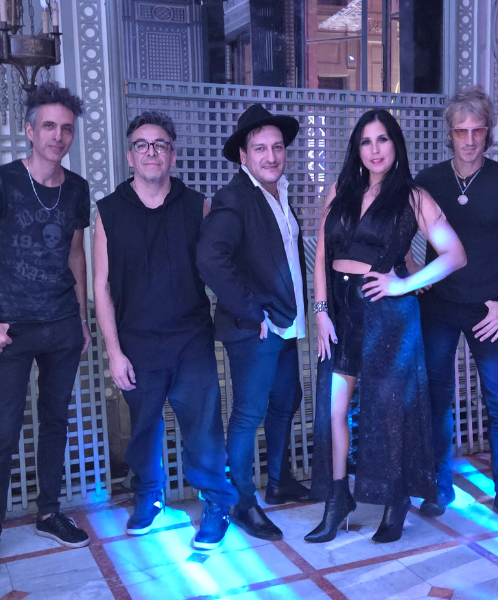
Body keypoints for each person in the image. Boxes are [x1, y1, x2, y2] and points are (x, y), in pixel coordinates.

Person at [306, 108, 466, 544]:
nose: (374, 149)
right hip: (340, 311)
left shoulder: (413, 196)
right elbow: (322, 255)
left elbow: (455, 255)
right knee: (334, 410)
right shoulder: (340, 190)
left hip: (387, 314)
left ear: (396, 144)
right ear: (356, 148)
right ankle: (338, 500)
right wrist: (320, 310)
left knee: (390, 412)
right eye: (366, 141)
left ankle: (397, 500)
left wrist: (403, 284)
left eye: (382, 139)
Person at [0, 82, 92, 582]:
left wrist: (82, 319)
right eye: (49, 126)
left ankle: (48, 512)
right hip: (10, 329)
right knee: (3, 431)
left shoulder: (77, 188)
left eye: (66, 129)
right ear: (30, 130)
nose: (58, 136)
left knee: (55, 421)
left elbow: (75, 254)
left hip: (61, 325)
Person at [93, 111, 238, 550]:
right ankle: (148, 495)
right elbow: (100, 286)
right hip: (136, 341)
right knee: (143, 429)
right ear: (130, 156)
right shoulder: (109, 212)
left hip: (191, 338)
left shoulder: (197, 206)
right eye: (142, 144)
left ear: (172, 155)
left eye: (160, 144)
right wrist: (114, 352)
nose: (151, 152)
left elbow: (219, 267)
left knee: (203, 429)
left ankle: (216, 502)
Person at [411, 86, 498, 530]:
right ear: (449, 133)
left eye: (476, 130)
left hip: (488, 310)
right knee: (438, 398)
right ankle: (440, 485)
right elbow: (400, 231)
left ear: (488, 132)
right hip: (438, 308)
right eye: (460, 131)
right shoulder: (428, 179)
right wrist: (414, 274)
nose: (468, 139)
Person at [197, 104, 312, 541]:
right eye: (260, 148)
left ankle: (278, 481)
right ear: (243, 156)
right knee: (248, 414)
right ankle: (243, 503)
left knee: (286, 400)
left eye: (277, 147)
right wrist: (250, 309)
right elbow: (211, 259)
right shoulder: (234, 197)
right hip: (255, 328)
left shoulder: (279, 192)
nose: (271, 156)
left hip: (284, 323)